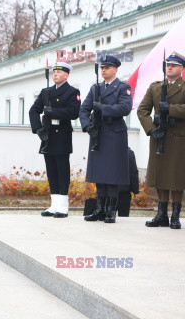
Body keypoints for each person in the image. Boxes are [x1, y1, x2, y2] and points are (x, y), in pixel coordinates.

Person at [80, 55, 133, 223]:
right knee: (100, 174)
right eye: (102, 67)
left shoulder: (122, 87)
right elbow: (84, 109)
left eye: (107, 67)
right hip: (99, 133)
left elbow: (124, 108)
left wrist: (103, 108)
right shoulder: (95, 88)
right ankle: (100, 209)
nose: (103, 70)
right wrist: (87, 126)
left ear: (115, 70)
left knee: (113, 174)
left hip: (115, 134)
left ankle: (111, 210)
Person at [137, 51, 185, 229]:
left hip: (179, 139)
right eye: (167, 65)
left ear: (181, 68)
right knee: (161, 176)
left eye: (173, 65)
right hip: (160, 136)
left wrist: (171, 109)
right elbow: (142, 110)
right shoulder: (155, 87)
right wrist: (151, 129)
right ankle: (162, 214)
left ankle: (175, 216)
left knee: (177, 178)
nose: (169, 67)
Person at [29, 62, 81, 218]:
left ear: (66, 75)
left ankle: (63, 206)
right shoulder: (46, 92)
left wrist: (54, 111)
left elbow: (74, 112)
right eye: (54, 72)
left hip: (62, 133)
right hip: (48, 133)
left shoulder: (72, 92)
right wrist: (38, 129)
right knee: (51, 170)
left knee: (62, 171)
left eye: (58, 72)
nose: (55, 74)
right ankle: (54, 204)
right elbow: (33, 110)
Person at [117, 147, 140, 217]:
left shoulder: (109, 151)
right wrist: (136, 191)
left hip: (109, 190)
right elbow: (133, 173)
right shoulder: (129, 153)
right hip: (125, 190)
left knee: (108, 218)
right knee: (123, 218)